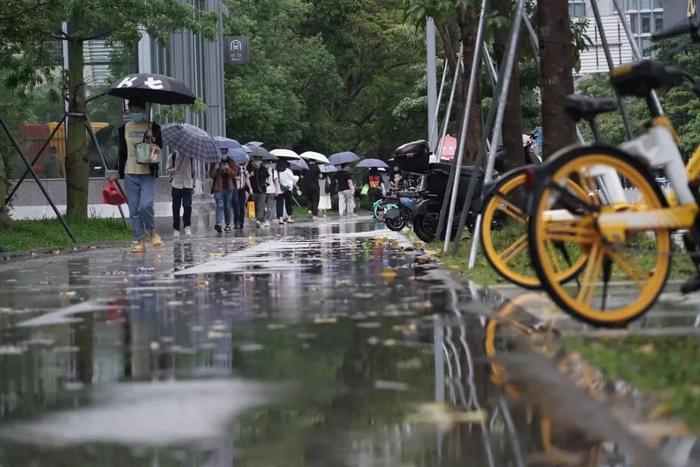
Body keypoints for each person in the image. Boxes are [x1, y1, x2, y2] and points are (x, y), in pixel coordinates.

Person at [117, 100, 163, 254]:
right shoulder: (124, 128)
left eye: (137, 110)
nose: (134, 113)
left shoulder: (154, 127)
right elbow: (122, 153)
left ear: (143, 111)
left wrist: (153, 141)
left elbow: (158, 150)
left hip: (147, 174)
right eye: (132, 110)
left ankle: (152, 231)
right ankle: (139, 241)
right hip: (130, 173)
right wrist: (117, 172)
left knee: (146, 205)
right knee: (134, 210)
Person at [166, 150, 195, 237]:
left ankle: (187, 226)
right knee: (176, 208)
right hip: (176, 184)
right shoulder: (172, 156)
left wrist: (194, 185)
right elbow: (167, 170)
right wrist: (174, 169)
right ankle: (176, 228)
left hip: (188, 184)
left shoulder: (190, 157)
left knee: (187, 206)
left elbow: (193, 171)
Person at [209, 150, 238, 233]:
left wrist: (228, 169)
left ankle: (228, 224)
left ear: (227, 152)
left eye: (225, 151)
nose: (223, 153)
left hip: (229, 188)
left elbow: (234, 174)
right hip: (218, 188)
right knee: (219, 205)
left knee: (227, 207)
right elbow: (211, 175)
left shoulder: (231, 161)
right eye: (222, 151)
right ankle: (218, 223)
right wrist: (215, 168)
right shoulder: (214, 161)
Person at [249, 157, 270, 227]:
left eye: (258, 161)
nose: (256, 162)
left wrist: (267, 182)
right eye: (255, 161)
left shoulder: (263, 169)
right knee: (256, 205)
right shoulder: (251, 169)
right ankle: (263, 218)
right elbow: (248, 178)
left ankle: (258, 219)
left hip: (262, 190)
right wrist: (250, 175)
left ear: (261, 161)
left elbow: (268, 177)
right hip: (254, 190)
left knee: (261, 204)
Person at [233, 160, 252, 229]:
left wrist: (250, 188)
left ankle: (241, 222)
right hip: (234, 189)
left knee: (241, 206)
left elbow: (247, 177)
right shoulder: (232, 167)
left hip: (242, 189)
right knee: (236, 206)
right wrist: (235, 177)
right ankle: (236, 222)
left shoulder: (242, 168)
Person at [263, 160, 281, 226]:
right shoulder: (261, 170)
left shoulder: (273, 171)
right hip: (263, 191)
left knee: (269, 207)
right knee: (262, 207)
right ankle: (263, 219)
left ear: (270, 163)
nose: (266, 164)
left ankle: (267, 221)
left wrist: (277, 191)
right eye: (265, 162)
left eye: (267, 162)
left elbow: (276, 182)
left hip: (271, 191)